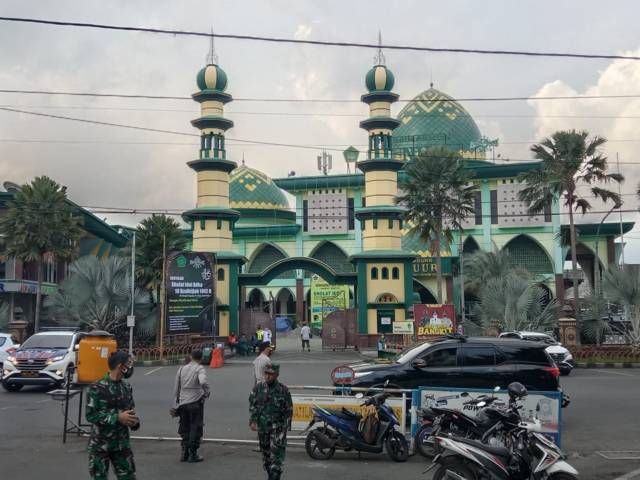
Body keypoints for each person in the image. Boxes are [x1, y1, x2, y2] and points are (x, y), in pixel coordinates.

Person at [86, 350, 139, 480]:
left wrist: (134, 422)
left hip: (122, 445)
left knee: (129, 477)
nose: (131, 367)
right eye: (129, 363)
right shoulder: (96, 387)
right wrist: (117, 417)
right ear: (119, 366)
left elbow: (130, 410)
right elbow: (91, 415)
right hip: (100, 445)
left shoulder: (126, 387)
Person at [249, 364, 293, 480]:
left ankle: (275, 475)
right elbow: (253, 405)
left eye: (271, 374)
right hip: (263, 428)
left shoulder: (283, 390)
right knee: (266, 456)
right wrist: (253, 420)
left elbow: (288, 409)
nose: (268, 376)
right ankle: (270, 474)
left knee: (276, 458)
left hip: (278, 428)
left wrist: (286, 426)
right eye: (266, 373)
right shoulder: (258, 388)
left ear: (277, 375)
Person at [171, 349, 210, 463]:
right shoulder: (199, 368)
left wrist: (175, 403)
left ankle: (184, 453)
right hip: (195, 401)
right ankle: (193, 454)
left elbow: (176, 387)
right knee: (195, 428)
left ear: (191, 357)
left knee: (184, 427)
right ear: (201, 358)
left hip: (183, 402)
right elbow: (203, 381)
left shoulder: (182, 368)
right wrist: (207, 391)